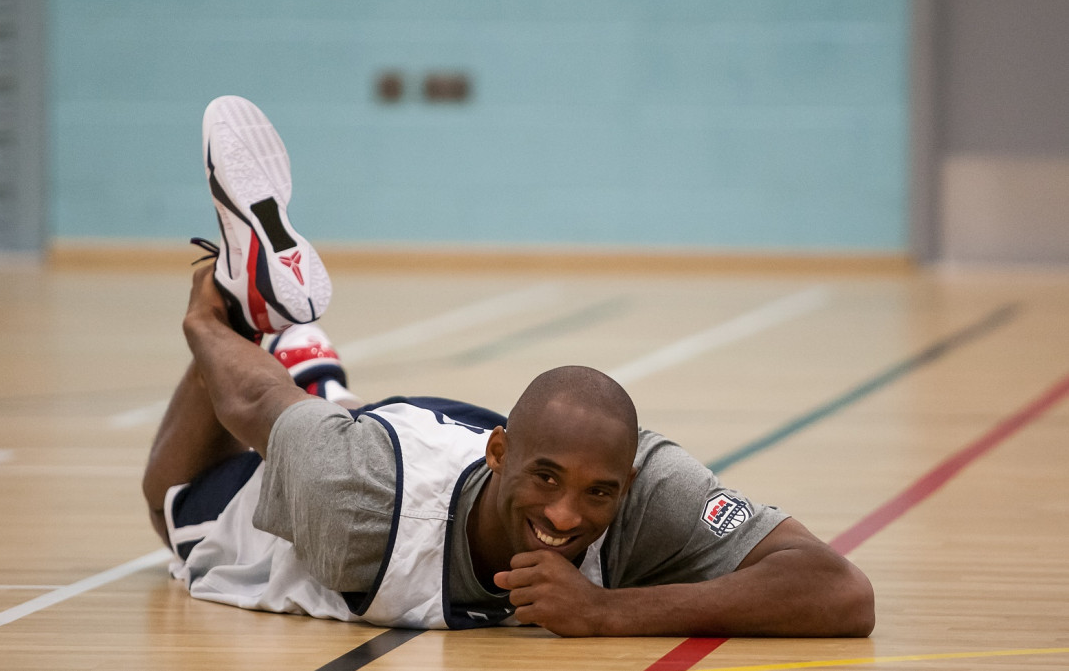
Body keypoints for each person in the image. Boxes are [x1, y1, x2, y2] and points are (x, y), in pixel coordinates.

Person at [141, 96, 874, 638]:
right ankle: (249, 307)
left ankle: (323, 372)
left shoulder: (645, 490)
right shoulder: (356, 500)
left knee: (333, 416)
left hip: (414, 438)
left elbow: (843, 593)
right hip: (357, 482)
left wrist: (610, 609)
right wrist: (212, 325)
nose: (565, 515)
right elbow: (258, 403)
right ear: (502, 451)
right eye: (547, 478)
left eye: (597, 491)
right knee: (170, 499)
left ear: (630, 478)